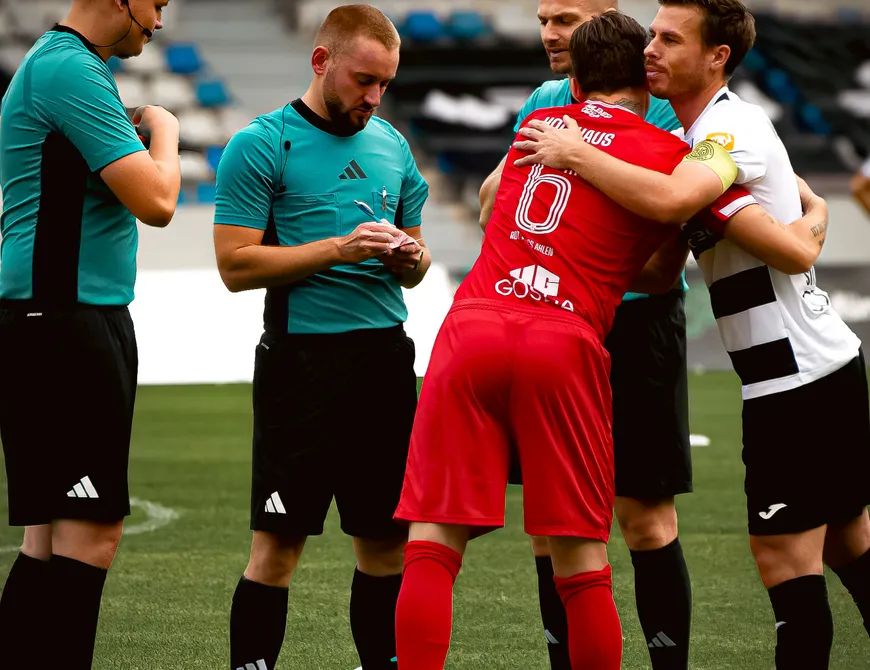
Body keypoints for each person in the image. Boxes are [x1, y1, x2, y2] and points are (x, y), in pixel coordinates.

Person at [391, 11, 824, 669]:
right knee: (580, 558)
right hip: (564, 337)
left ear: (577, 78)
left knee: (432, 541)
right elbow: (663, 267)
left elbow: (490, 205)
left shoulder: (541, 123)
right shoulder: (671, 155)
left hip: (473, 322)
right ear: (645, 81)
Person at [513, 0, 870, 666]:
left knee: (784, 559)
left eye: (670, 39)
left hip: (795, 378)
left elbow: (680, 203)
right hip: (818, 366)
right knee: (850, 545)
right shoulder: (699, 137)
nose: (650, 49)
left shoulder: (725, 130)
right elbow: (681, 259)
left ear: (716, 57)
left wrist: (574, 151)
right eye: (651, 35)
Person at [212, 6, 430, 670]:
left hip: (385, 363)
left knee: (386, 547)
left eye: (385, 84)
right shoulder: (261, 143)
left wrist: (410, 259)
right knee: (277, 550)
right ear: (321, 61)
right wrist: (339, 248)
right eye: (364, 80)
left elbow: (418, 260)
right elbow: (234, 266)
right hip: (300, 368)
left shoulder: (391, 144)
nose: (375, 97)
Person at [481, 3, 696, 666]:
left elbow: (665, 243)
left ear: (608, 20)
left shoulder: (661, 103)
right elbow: (493, 202)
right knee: (549, 526)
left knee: (644, 519)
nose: (550, 32)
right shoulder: (544, 99)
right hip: (549, 322)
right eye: (543, 18)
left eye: (566, 18)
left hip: (636, 324)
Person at [0, 1, 180, 668]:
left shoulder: (63, 65)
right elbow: (158, 200)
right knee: (89, 537)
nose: (157, 23)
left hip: (54, 321)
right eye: (156, 4)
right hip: (64, 325)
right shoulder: (70, 70)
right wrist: (166, 130)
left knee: (47, 542)